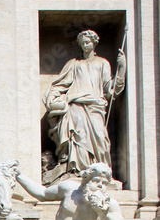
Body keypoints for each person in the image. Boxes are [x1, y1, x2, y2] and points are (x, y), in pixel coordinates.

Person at [44, 29, 125, 174]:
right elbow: (61, 84)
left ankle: (100, 171)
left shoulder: (103, 63)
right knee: (78, 136)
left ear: (94, 43)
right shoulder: (74, 64)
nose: (85, 45)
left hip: (96, 105)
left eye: (87, 42)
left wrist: (122, 68)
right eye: (82, 43)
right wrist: (52, 97)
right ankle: (78, 170)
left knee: (100, 138)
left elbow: (110, 90)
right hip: (76, 104)